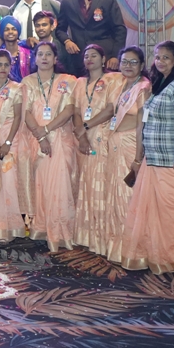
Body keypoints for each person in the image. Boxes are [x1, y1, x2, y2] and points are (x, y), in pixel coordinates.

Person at [116, 41, 174, 273]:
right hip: (154, 159)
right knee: (156, 213)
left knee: (173, 213)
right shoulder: (160, 82)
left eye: (166, 57)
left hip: (172, 161)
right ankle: (157, 256)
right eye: (158, 57)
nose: (160, 61)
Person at [22, 41, 78, 251]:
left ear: (55, 59)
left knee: (61, 183)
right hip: (35, 139)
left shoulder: (68, 80)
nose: (44, 58)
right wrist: (40, 136)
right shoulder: (27, 82)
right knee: (40, 183)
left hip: (61, 138)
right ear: (34, 59)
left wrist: (46, 130)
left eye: (48, 54)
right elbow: (25, 112)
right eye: (40, 54)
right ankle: (42, 227)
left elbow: (69, 109)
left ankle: (61, 229)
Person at [73, 45, 126, 255]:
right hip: (83, 138)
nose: (89, 59)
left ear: (103, 59)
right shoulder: (79, 83)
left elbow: (111, 109)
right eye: (86, 56)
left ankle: (104, 237)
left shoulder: (113, 79)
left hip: (102, 135)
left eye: (94, 55)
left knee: (102, 184)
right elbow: (76, 111)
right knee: (86, 182)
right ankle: (88, 236)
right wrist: (81, 135)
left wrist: (86, 127)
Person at [103, 47, 152, 264]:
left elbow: (143, 124)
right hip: (116, 145)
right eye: (124, 62)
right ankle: (117, 248)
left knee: (128, 196)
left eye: (133, 62)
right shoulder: (122, 85)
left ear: (142, 65)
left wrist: (138, 158)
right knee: (115, 195)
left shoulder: (144, 88)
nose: (128, 66)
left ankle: (134, 251)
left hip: (132, 145)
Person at [55, 0, 127, 75]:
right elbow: (60, 29)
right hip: (79, 59)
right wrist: (67, 41)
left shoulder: (108, 0)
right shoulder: (67, 2)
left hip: (105, 58)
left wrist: (115, 56)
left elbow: (120, 29)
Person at [0, 50, 27, 246]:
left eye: (6, 64)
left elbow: (18, 117)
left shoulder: (16, 88)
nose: (3, 68)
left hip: (9, 140)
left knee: (7, 183)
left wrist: (8, 143)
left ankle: (5, 229)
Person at [0, 16, 32, 83]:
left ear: (18, 32)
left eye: (14, 29)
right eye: (6, 29)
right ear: (2, 33)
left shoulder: (29, 54)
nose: (10, 32)